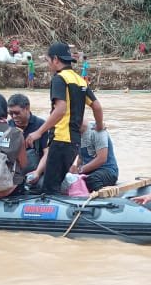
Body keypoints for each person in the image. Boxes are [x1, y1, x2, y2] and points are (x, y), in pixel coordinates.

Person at [24, 42, 104, 196]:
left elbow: (60, 109)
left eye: (47, 61)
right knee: (56, 184)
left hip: (61, 140)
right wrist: (99, 126)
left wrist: (39, 132)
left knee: (50, 189)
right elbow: (97, 106)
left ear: (55, 60)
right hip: (74, 143)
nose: (48, 65)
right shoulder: (80, 80)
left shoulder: (59, 79)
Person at [8, 93, 48, 174]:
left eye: (17, 113)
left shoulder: (41, 125)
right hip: (14, 172)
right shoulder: (7, 126)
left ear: (27, 109)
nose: (14, 116)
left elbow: (47, 152)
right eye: (10, 113)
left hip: (36, 170)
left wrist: (37, 172)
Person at [71, 121, 117, 192]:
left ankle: (102, 198)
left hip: (106, 170)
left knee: (92, 180)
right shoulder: (75, 134)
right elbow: (80, 157)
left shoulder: (97, 130)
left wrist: (79, 170)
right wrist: (74, 171)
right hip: (88, 171)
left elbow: (102, 159)